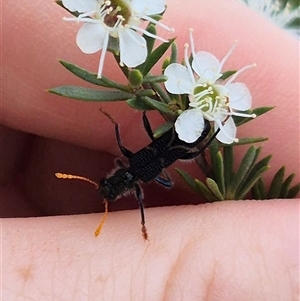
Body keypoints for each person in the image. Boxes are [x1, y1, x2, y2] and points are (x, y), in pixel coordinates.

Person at [2, 0, 299, 299]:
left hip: (180, 136)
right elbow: (129, 143)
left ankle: (209, 131)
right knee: (183, 151)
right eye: (111, 187)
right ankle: (205, 135)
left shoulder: (140, 177)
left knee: (183, 153)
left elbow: (134, 150)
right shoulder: (132, 166)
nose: (113, 185)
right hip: (175, 140)